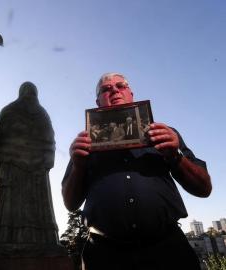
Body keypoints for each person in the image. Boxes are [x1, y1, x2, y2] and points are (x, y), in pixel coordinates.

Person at [62, 72, 212, 270]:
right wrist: (79, 165)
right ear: (98, 101)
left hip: (167, 250)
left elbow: (204, 189)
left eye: (120, 86)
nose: (114, 90)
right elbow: (70, 203)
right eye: (106, 89)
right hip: (104, 254)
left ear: (131, 94)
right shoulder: (86, 144)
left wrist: (175, 155)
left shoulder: (164, 134)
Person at [0, 82, 59, 244]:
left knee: (7, 206)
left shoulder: (8, 110)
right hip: (36, 169)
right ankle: (43, 241)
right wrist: (46, 161)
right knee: (37, 208)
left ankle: (1, 238)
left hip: (10, 165)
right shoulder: (42, 114)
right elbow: (50, 141)